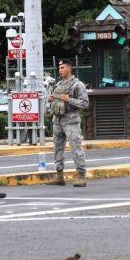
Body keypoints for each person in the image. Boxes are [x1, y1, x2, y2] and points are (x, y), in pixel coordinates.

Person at [47, 58, 89, 187]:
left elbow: (85, 103)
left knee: (76, 147)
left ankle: (81, 176)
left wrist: (69, 99)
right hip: (57, 120)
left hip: (71, 121)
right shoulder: (58, 85)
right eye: (59, 68)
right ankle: (59, 176)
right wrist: (51, 99)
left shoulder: (78, 85)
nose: (60, 70)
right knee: (57, 148)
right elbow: (56, 100)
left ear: (69, 68)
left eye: (63, 68)